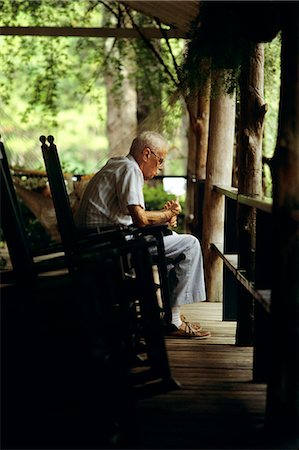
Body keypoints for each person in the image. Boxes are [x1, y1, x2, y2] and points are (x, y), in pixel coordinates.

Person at [75, 131, 211, 339]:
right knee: (190, 244)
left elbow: (133, 218)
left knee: (173, 241)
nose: (162, 167)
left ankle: (171, 315)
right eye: (160, 160)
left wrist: (164, 219)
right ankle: (173, 320)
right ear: (146, 154)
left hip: (102, 242)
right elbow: (139, 219)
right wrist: (168, 214)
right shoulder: (131, 169)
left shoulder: (118, 165)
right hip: (111, 247)